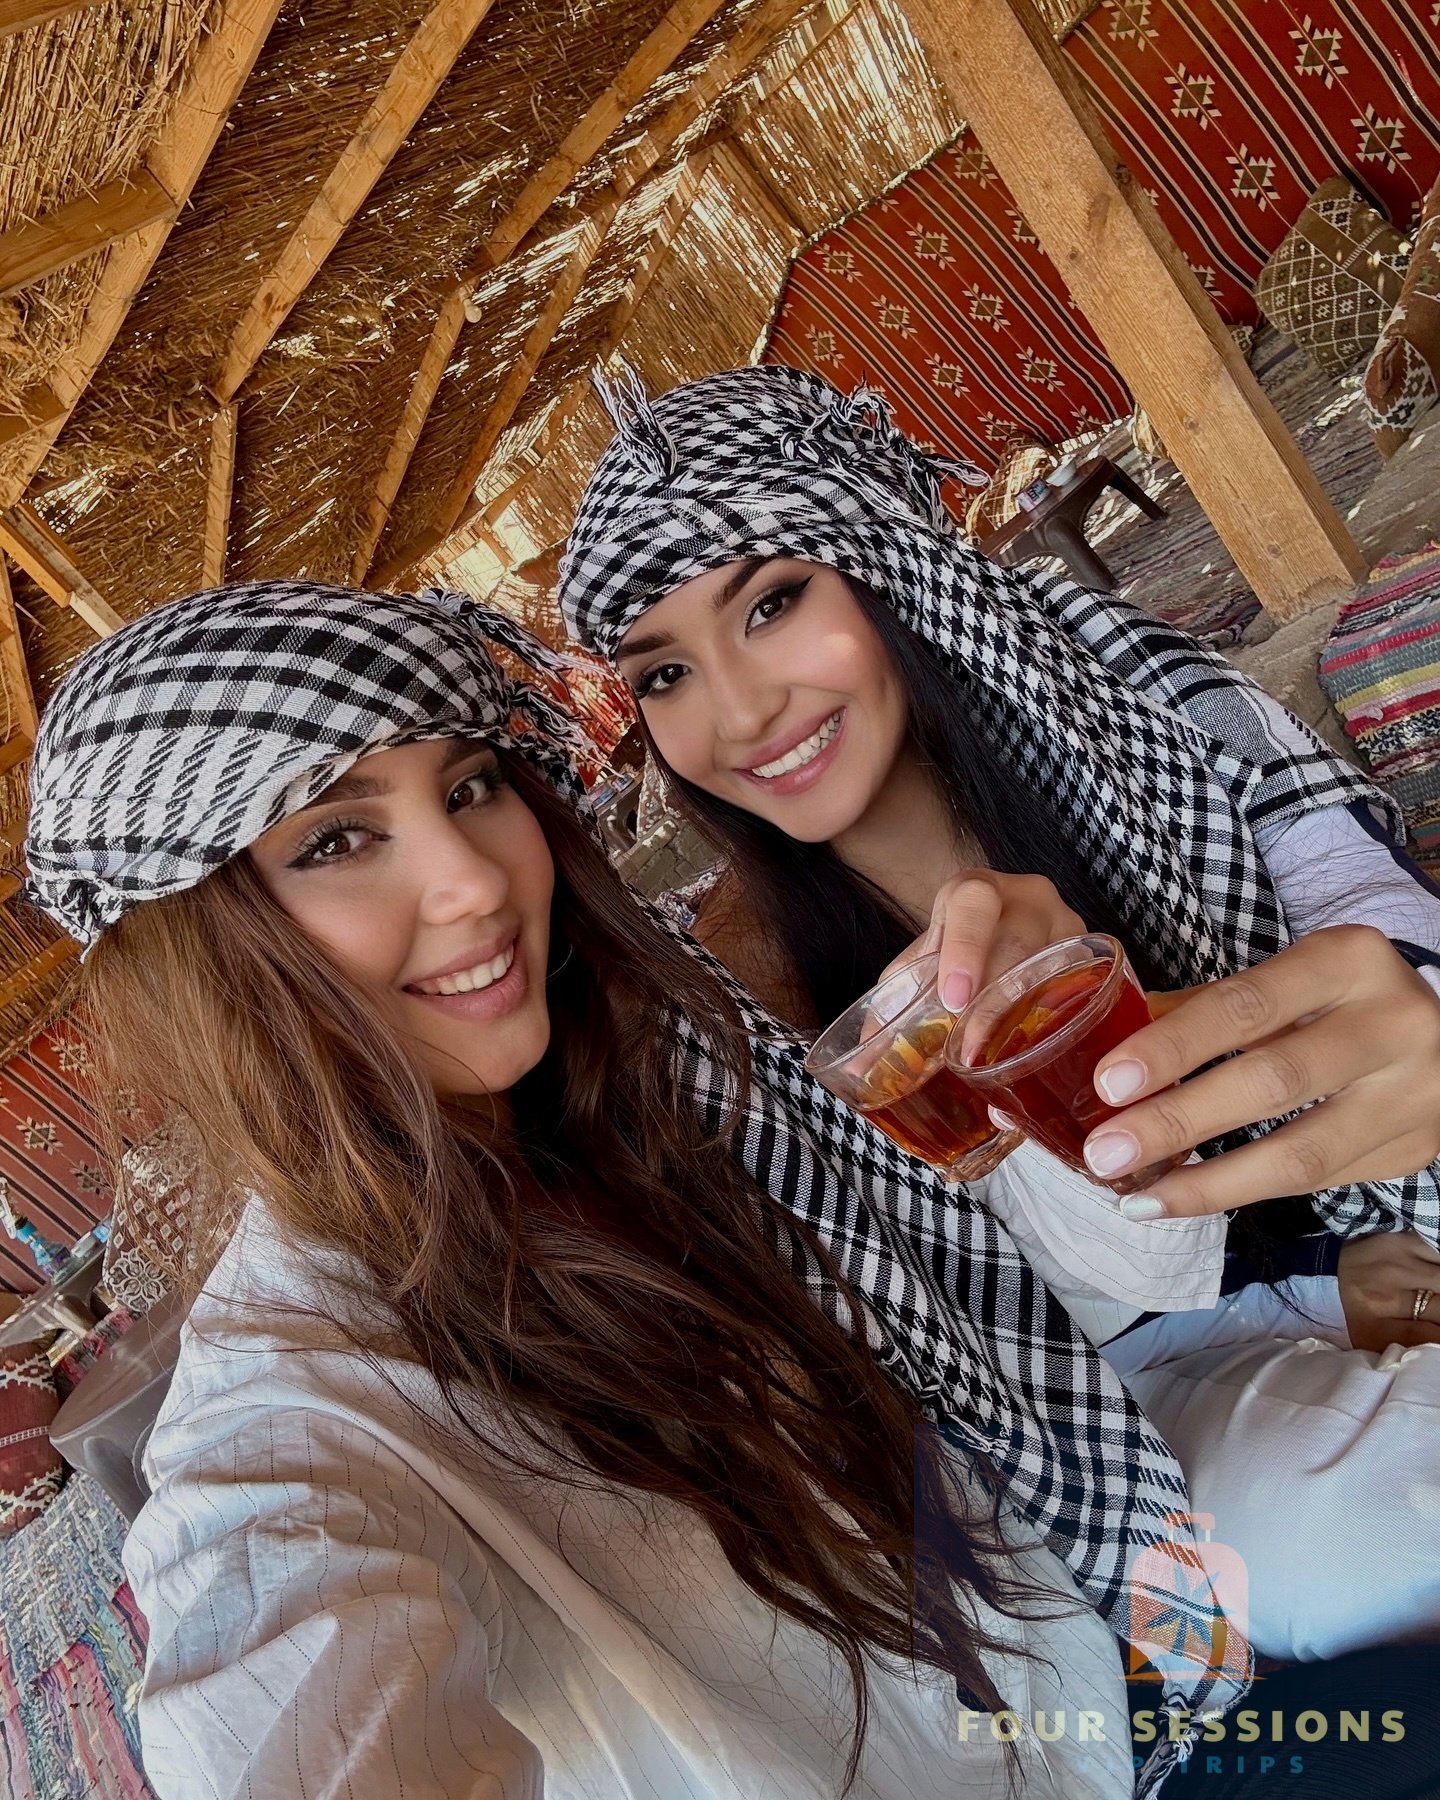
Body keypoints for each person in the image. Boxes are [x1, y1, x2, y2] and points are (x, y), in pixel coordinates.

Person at [24, 577, 1253, 1799]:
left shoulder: (683, 1070)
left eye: (470, 787)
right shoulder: (286, 1425)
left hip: (1116, 1666)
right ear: (200, 954)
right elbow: (280, 1684)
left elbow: (1067, 1299)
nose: (476, 884)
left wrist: (1053, 1064)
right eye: (334, 840)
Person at [558, 362, 1440, 1666]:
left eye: (774, 604)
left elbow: (1366, 918)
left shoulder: (1145, 704)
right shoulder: (740, 994)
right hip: (1132, 1395)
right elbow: (1024, 1321)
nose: (739, 713)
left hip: (1370, 1227)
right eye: (666, 674)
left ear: (889, 566)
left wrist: (1391, 1088)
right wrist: (1045, 1100)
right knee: (1369, 1551)